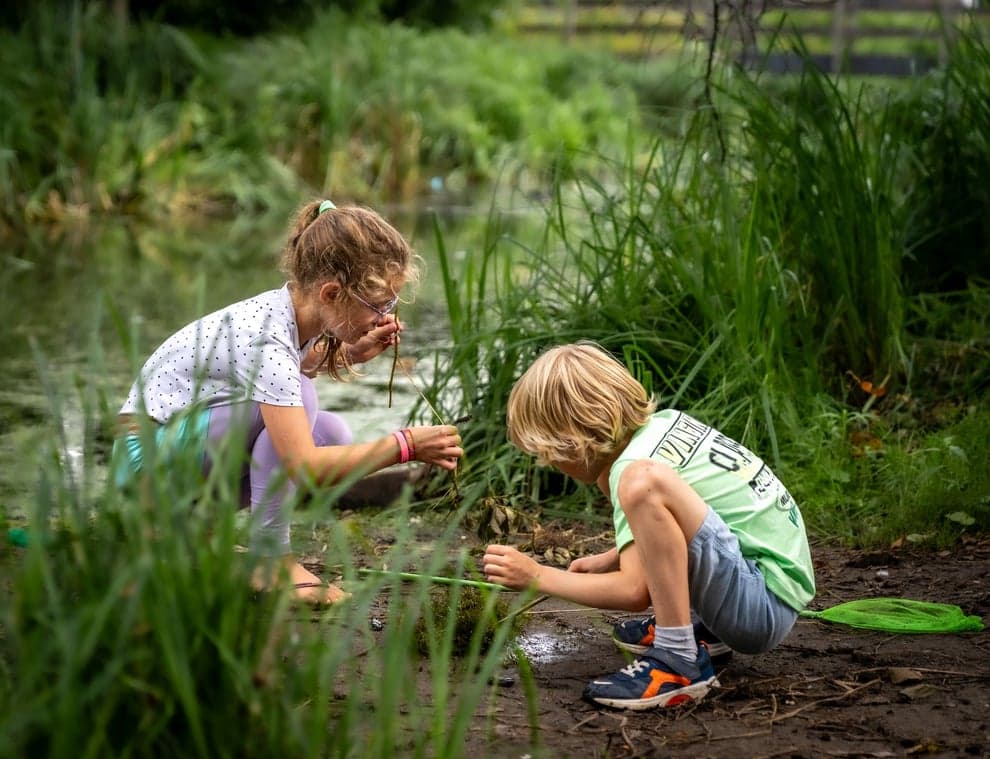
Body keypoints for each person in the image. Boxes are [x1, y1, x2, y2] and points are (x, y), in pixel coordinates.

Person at [113, 199, 463, 605]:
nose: (384, 316)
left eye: (391, 305)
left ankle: (190, 531)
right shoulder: (267, 337)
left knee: (331, 432)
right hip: (142, 469)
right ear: (332, 293)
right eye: (379, 305)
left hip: (169, 459)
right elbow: (303, 465)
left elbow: (290, 370)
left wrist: (353, 352)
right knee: (303, 400)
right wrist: (406, 446)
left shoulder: (289, 315)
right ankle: (270, 562)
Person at [482, 342, 815, 710]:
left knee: (642, 484)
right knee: (644, 484)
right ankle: (702, 633)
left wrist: (537, 576)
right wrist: (612, 557)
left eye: (548, 454)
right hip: (772, 582)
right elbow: (696, 519)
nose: (550, 463)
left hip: (760, 608)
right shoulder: (663, 426)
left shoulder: (635, 472)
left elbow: (634, 592)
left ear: (573, 443)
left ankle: (678, 661)